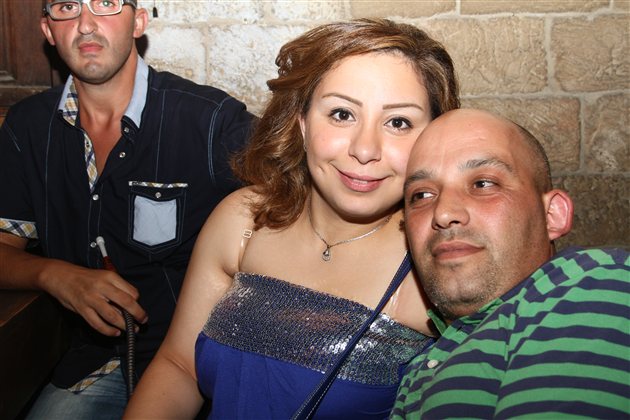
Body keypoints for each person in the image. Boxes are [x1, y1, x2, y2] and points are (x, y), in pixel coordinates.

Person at [124, 18, 460, 419]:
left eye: (398, 122)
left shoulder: (439, 261)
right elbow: (179, 366)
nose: (365, 149)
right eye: (341, 114)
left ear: (433, 137)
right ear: (302, 123)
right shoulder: (243, 220)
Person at [0, 0, 253, 418]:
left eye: (105, 4)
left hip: (197, 371)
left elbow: (298, 209)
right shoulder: (28, 127)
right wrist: (55, 275)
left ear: (138, 22)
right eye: (67, 7)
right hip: (89, 365)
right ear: (48, 31)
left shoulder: (210, 122)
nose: (85, 24)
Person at [392, 108, 630, 418]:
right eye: (422, 195)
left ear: (552, 215)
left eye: (483, 184)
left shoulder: (593, 285)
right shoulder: (417, 367)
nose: (443, 213)